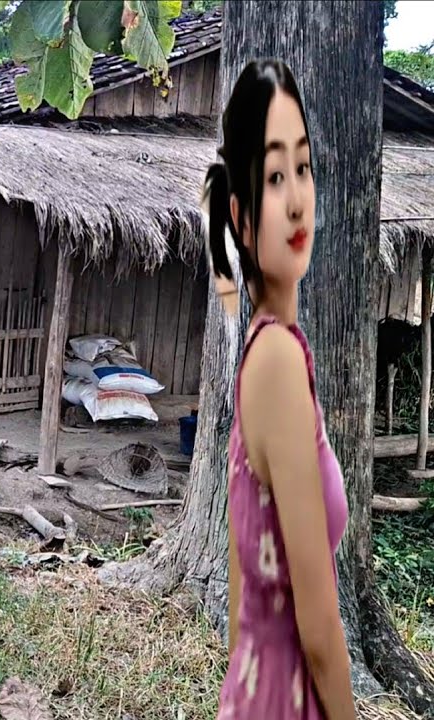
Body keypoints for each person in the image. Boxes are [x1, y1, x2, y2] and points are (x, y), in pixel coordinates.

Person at [206, 59, 354, 720]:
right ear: (240, 217)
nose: (297, 199)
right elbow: (320, 631)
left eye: (303, 169)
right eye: (272, 177)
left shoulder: (266, 351)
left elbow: (245, 585)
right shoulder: (278, 365)